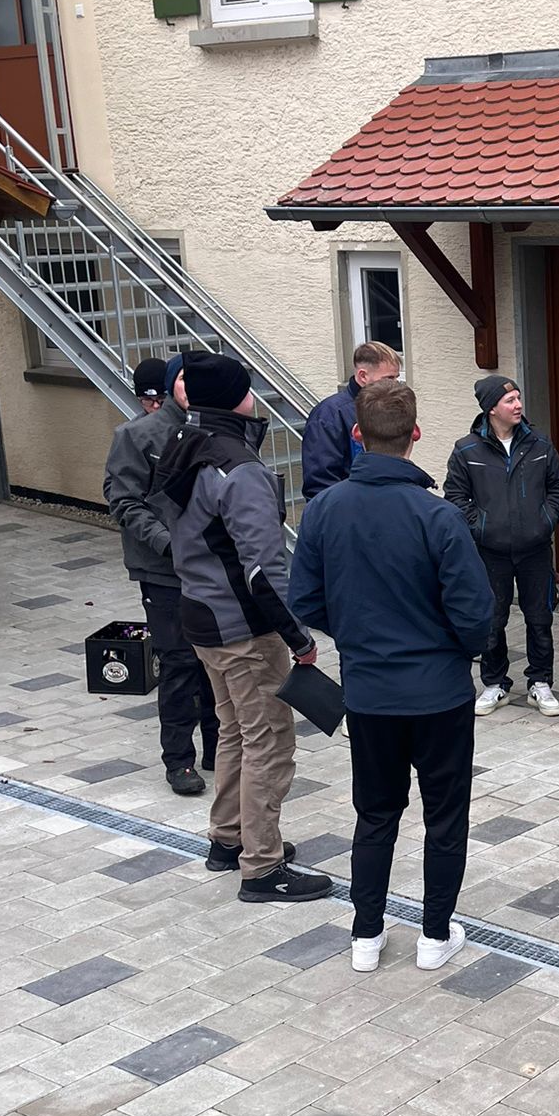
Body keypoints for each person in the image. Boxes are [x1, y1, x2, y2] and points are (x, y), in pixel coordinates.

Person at [290, 379, 494, 975]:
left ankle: (366, 935)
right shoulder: (439, 516)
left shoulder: (324, 509)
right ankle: (435, 935)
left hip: (371, 693)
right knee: (445, 817)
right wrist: (450, 649)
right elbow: (476, 616)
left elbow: (305, 599)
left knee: (376, 815)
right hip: (439, 694)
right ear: (416, 434)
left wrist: (357, 634)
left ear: (358, 435)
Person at [155, 350, 332, 903]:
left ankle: (228, 839)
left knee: (234, 731)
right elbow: (263, 570)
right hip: (243, 629)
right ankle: (262, 866)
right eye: (249, 389)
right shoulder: (240, 468)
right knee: (270, 740)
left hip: (200, 614)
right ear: (237, 398)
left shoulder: (184, 443)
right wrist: (299, 638)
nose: (255, 397)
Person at [103, 355, 217, 796]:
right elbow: (124, 501)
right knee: (179, 661)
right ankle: (179, 759)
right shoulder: (136, 435)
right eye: (185, 378)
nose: (194, 386)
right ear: (171, 385)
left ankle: (217, 747)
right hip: (163, 569)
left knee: (214, 659)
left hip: (210, 566)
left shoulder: (214, 429)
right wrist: (169, 543)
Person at [445, 375, 559, 719]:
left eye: (518, 397)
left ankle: (540, 682)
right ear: (491, 409)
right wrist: (481, 527)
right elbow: (455, 496)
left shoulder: (539, 444)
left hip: (535, 549)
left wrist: (545, 520)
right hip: (489, 552)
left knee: (540, 617)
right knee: (491, 619)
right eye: (510, 400)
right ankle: (495, 683)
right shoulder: (466, 449)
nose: (518, 405)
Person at [300, 340, 402, 499]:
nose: (395, 385)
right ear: (363, 376)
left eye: (396, 378)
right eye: (388, 378)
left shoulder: (387, 407)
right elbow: (320, 484)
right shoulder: (329, 415)